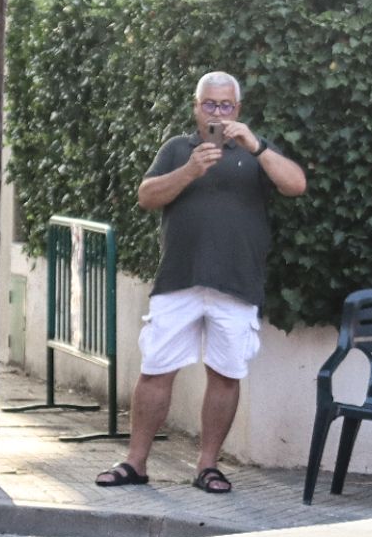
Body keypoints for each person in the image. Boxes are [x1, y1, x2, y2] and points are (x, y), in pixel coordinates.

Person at [96, 71, 307, 494]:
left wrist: (258, 146)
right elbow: (146, 197)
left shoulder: (256, 152)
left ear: (238, 110)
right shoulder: (178, 149)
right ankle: (135, 463)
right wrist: (190, 171)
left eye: (225, 105)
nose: (217, 112)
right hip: (179, 280)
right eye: (209, 104)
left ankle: (208, 466)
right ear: (196, 107)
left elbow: (296, 185)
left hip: (237, 283)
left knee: (225, 375)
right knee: (156, 370)